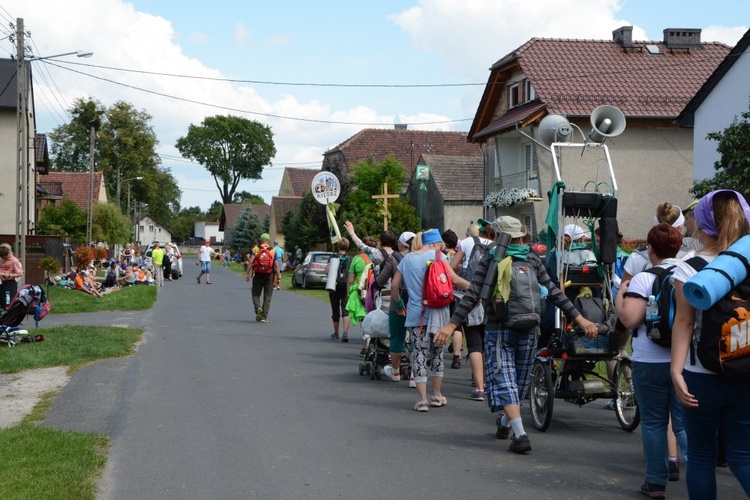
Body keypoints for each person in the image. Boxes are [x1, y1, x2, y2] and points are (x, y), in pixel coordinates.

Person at [435, 216, 598, 453]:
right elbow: (554, 292)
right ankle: (520, 434)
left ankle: (506, 421)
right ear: (521, 235)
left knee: (508, 382)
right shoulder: (532, 257)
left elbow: (472, 295)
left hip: (498, 329)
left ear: (497, 234)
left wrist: (451, 325)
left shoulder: (492, 258)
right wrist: (580, 318)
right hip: (531, 328)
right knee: (516, 383)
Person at [671, 190, 750, 500]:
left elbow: (684, 322)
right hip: (746, 371)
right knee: (743, 456)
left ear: (702, 223)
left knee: (702, 457)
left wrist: (676, 371)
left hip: (700, 374)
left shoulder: (691, 266)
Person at [616, 223, 688, 499]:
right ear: (678, 247)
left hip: (649, 361)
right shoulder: (688, 275)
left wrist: (622, 293)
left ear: (650, 248)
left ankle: (655, 483)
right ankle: (698, 475)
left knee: (654, 422)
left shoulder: (645, 278)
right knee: (683, 424)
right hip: (684, 363)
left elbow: (629, 319)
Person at [391, 229, 470, 412]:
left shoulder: (407, 259)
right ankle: (436, 394)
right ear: (435, 243)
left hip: (415, 314)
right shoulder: (438, 256)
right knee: (437, 353)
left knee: (418, 353)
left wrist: (399, 303)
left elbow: (394, 285)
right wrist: (475, 290)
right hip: (438, 313)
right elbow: (455, 280)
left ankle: (421, 399)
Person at [378, 231, 415, 383]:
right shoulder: (422, 258)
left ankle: (395, 372)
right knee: (415, 338)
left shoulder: (394, 258)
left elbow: (381, 280)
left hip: (397, 300)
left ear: (400, 244)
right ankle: (414, 375)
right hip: (416, 301)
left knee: (397, 336)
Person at [245, 233, 279, 323]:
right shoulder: (272, 250)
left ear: (261, 239)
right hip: (269, 275)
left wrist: (247, 274)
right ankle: (264, 317)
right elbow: (276, 265)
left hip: (258, 275)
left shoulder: (256, 249)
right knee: (267, 296)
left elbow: (251, 262)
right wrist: (278, 277)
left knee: (255, 294)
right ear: (268, 240)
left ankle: (258, 308)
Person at [325, 238, 351, 342]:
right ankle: (345, 333)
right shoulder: (351, 258)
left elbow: (326, 271)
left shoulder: (333, 257)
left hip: (334, 286)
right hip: (346, 286)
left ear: (338, 246)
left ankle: (336, 333)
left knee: (335, 309)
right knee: (345, 310)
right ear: (347, 247)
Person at [0, 243, 24, 310]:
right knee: (3, 303)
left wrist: (10, 275)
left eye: (8, 255)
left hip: (10, 282)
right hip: (2, 282)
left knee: (9, 304)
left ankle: (10, 318)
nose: (7, 258)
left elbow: (20, 273)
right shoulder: (1, 259)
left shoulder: (14, 260)